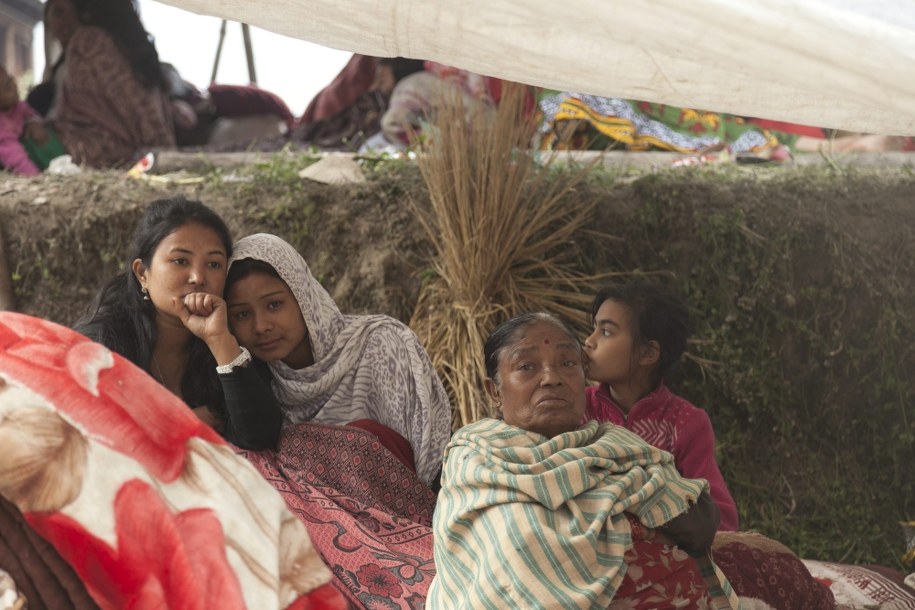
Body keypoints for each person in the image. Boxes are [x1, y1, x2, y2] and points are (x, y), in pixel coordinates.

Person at [428, 312, 741, 609]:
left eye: (567, 362)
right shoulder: (477, 459)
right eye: (527, 367)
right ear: (494, 391)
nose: (552, 378)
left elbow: (700, 523)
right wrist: (629, 514)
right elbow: (516, 554)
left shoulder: (619, 446)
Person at [224, 233, 452, 486]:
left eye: (274, 305)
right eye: (242, 314)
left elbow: (431, 459)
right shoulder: (253, 383)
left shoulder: (381, 344)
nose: (261, 326)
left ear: (304, 296)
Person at [73, 196, 282, 450]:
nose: (198, 277)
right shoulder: (102, 341)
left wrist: (218, 340)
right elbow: (88, 438)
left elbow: (259, 437)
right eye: (180, 261)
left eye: (214, 264)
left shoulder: (229, 334)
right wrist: (182, 425)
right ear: (142, 273)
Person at [582, 282, 740, 531]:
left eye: (607, 332)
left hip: (659, 554)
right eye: (593, 329)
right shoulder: (577, 409)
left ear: (647, 353)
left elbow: (722, 520)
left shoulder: (686, 423)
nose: (589, 342)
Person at [42, 0, 176, 168]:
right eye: (58, 13)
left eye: (73, 10)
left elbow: (135, 105)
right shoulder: (125, 44)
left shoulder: (90, 42)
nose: (67, 20)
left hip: (106, 154)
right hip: (136, 153)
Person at [0, 66, 45, 176]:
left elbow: (31, 114)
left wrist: (33, 122)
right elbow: (14, 157)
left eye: (11, 81)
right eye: (6, 88)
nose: (13, 87)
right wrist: (35, 177)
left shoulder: (19, 106)